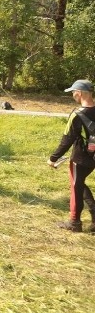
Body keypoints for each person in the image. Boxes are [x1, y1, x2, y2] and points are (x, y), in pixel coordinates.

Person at [47, 79, 95, 232]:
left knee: (76, 188)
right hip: (93, 158)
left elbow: (67, 140)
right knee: (80, 184)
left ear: (79, 93)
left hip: (79, 159)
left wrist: (53, 158)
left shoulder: (77, 115)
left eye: (73, 92)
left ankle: (74, 223)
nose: (73, 94)